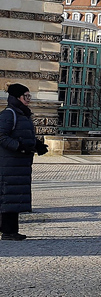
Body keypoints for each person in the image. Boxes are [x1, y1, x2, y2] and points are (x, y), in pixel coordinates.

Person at [0, 84, 47, 240]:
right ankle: (8, 232)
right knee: (8, 197)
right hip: (8, 164)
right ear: (16, 98)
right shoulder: (9, 114)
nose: (28, 99)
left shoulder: (23, 115)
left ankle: (10, 230)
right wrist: (20, 148)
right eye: (25, 96)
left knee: (13, 197)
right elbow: (1, 136)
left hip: (18, 164)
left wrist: (37, 145)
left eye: (29, 96)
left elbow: (24, 136)